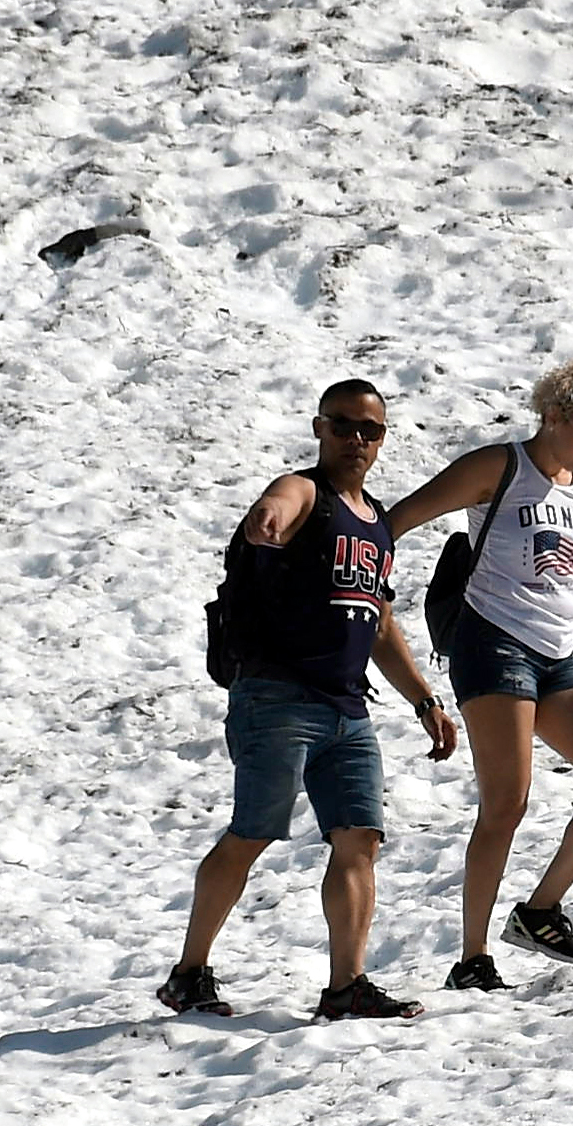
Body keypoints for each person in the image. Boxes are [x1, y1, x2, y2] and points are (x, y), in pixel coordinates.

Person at [158, 379, 460, 1020]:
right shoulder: (305, 493)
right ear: (320, 428)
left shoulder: (377, 523)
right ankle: (190, 973)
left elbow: (377, 621)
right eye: (344, 426)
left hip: (348, 709)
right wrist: (267, 517)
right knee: (251, 835)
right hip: (277, 698)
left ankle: (346, 986)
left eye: (370, 431)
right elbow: (278, 502)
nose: (356, 440)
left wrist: (424, 699)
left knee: (359, 839)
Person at [385, 357, 573, 991]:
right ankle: (472, 959)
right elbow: (396, 520)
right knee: (508, 801)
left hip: (560, 652)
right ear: (552, 417)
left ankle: (540, 910)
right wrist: (359, 583)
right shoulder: (498, 467)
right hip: (492, 641)